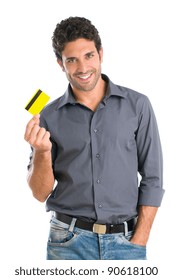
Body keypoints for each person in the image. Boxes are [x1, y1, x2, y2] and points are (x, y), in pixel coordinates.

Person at [24, 16, 165, 260]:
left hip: (127, 242)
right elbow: (40, 193)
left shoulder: (138, 105)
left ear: (100, 53)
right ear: (60, 63)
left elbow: (153, 177)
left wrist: (139, 239)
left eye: (89, 55)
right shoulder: (47, 115)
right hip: (67, 244)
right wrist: (42, 152)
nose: (82, 68)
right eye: (72, 60)